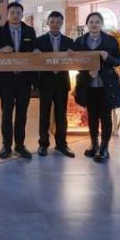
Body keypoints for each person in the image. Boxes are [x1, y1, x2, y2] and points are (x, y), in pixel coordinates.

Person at [74, 12, 120, 163]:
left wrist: (107, 57)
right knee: (92, 116)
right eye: (91, 22)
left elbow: (119, 61)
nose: (94, 24)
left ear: (101, 24)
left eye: (97, 22)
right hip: (88, 85)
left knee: (105, 116)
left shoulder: (110, 41)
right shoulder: (80, 41)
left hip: (106, 85)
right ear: (87, 24)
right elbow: (75, 62)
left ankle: (104, 147)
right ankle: (94, 143)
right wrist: (87, 72)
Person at [0, 2, 37, 159]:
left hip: (24, 80)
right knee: (6, 113)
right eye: (12, 12)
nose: (15, 15)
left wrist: (36, 51)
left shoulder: (30, 31)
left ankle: (20, 145)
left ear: (22, 15)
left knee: (22, 114)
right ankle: (6, 145)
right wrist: (0, 50)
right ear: (7, 14)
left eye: (18, 13)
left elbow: (34, 51)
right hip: (6, 80)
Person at [34, 11, 76, 158]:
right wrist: (35, 53)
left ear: (62, 23)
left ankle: (61, 144)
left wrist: (72, 54)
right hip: (45, 82)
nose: (55, 25)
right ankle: (43, 144)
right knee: (44, 115)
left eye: (58, 22)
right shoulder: (39, 41)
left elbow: (75, 60)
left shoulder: (69, 42)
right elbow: (34, 61)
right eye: (52, 22)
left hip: (62, 83)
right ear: (48, 23)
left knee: (61, 115)